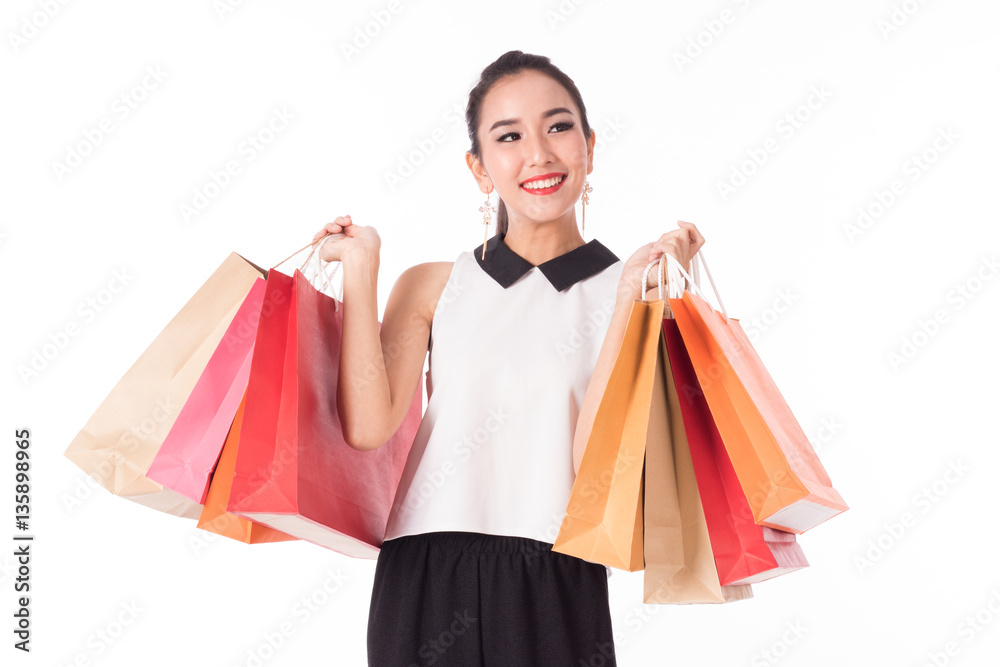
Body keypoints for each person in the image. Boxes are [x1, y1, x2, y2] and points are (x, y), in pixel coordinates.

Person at [313, 50, 705, 667]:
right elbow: (367, 427)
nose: (538, 155)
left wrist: (632, 301)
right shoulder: (433, 285)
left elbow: (595, 469)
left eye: (558, 126)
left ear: (590, 147)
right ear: (479, 168)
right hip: (423, 570)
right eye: (509, 136)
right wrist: (362, 270)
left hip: (554, 574)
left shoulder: (628, 288)